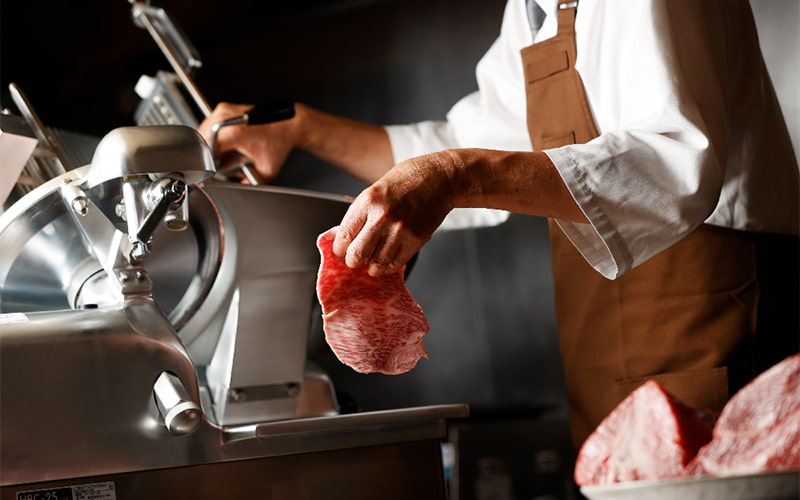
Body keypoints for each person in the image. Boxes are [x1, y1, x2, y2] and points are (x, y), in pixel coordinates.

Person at [199, 0, 799, 448]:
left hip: (703, 309)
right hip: (603, 328)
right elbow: (466, 141)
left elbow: (675, 159)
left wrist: (455, 175)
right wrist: (300, 127)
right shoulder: (534, 7)